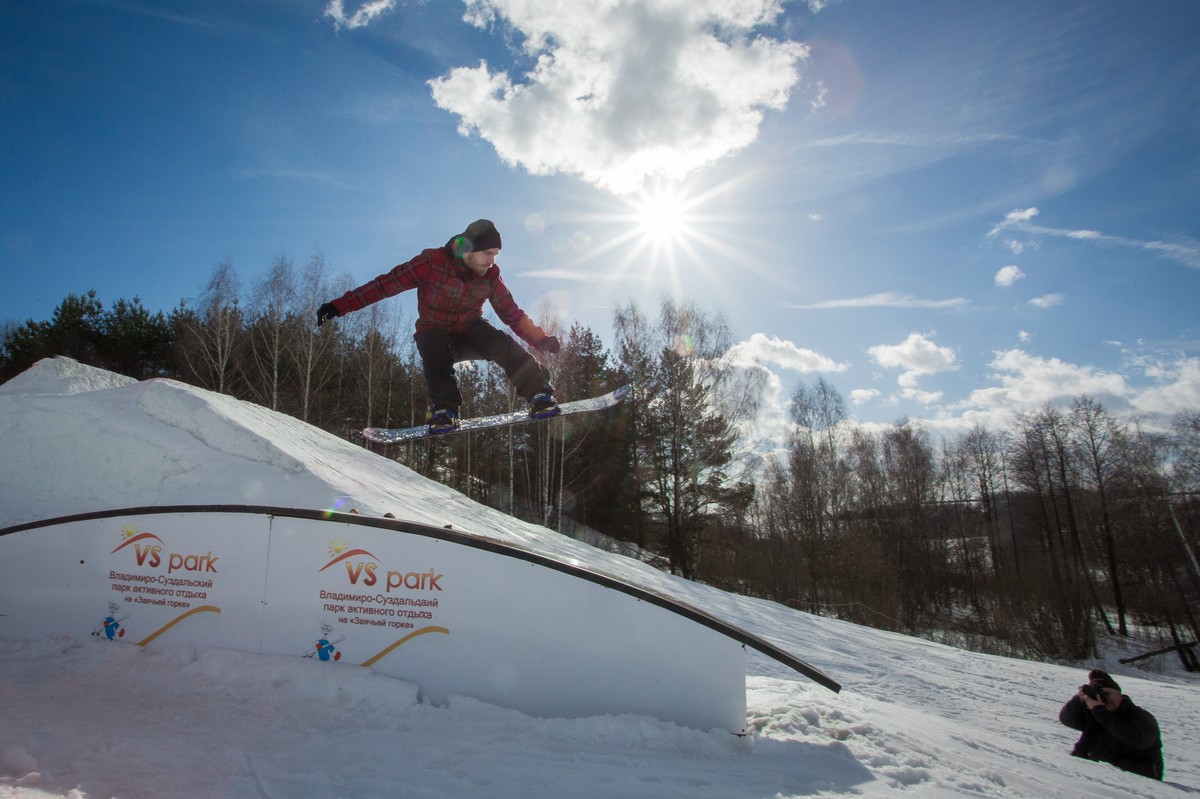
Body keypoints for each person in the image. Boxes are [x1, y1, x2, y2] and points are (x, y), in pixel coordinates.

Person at [316, 219, 561, 434]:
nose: (491, 261)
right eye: (488, 253)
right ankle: (444, 410)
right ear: (471, 249)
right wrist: (338, 307)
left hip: (469, 331)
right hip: (434, 332)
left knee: (498, 342)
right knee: (433, 347)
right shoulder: (432, 262)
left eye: (495, 255)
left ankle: (538, 391)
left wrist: (542, 339)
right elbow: (384, 285)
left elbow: (512, 314)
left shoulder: (491, 275)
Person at [1058, 668, 1163, 780]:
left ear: (1121, 695)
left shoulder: (1141, 716)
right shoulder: (1096, 714)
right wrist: (1079, 699)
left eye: (1108, 693)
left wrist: (1100, 712)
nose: (1106, 699)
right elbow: (1067, 719)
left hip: (1137, 780)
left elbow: (1136, 740)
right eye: (1101, 695)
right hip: (1098, 774)